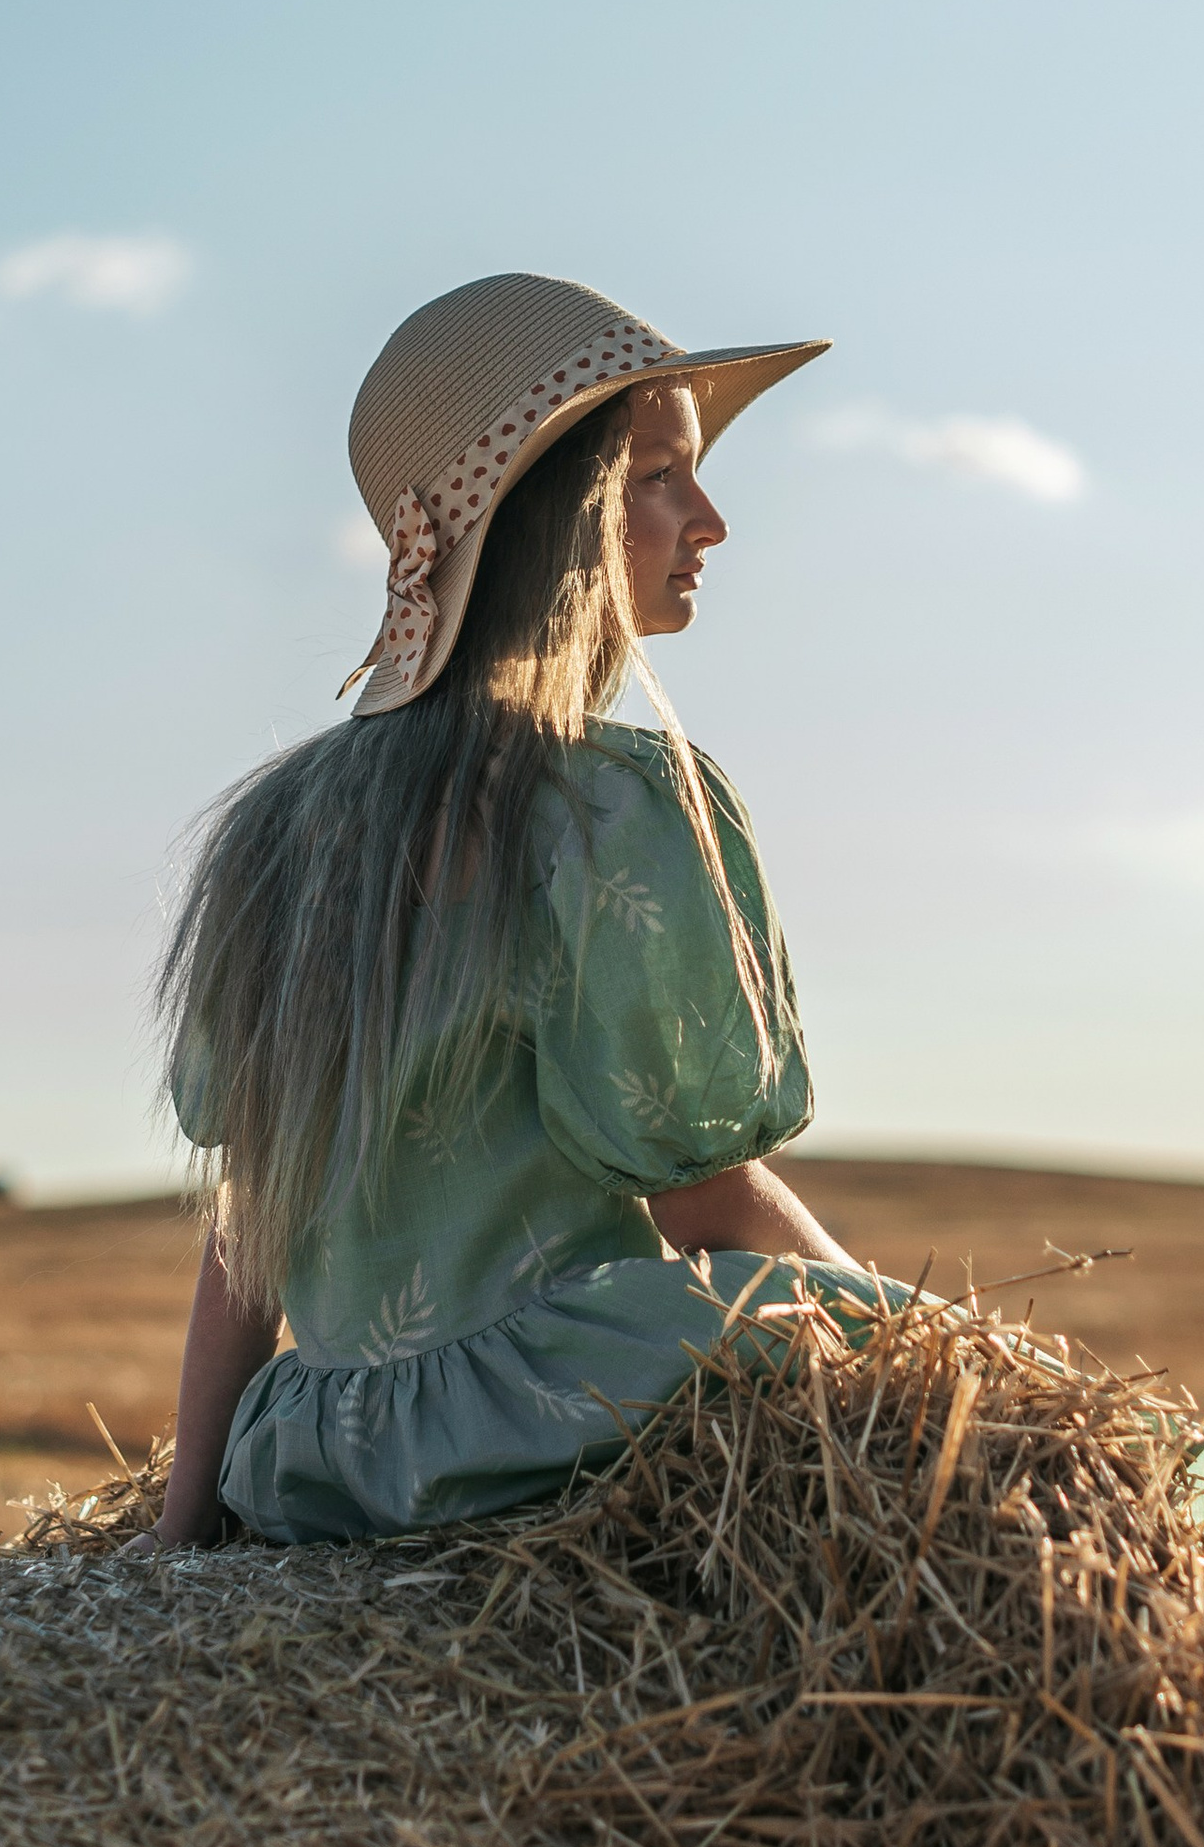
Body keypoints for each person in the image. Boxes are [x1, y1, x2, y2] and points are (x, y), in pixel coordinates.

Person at [150, 268, 889, 1548]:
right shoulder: (608, 810)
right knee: (1085, 1431)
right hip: (552, 1418)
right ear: (549, 512)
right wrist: (932, 1374)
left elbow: (247, 1228)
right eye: (657, 475)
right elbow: (702, 1194)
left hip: (323, 1455)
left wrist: (181, 1526)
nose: (706, 519)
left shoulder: (271, 836)